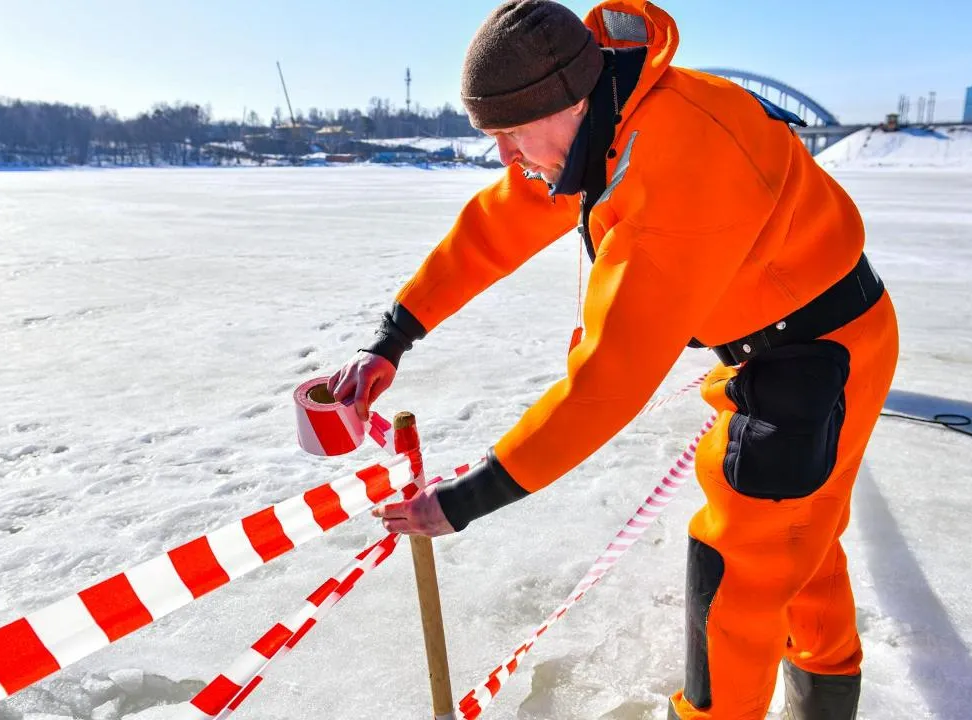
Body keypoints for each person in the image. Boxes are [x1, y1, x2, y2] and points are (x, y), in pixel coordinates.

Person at [326, 1, 898, 718]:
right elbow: (498, 223)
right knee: (799, 538)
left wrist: (466, 500)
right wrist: (394, 335)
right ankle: (828, 698)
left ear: (566, 102)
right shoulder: (602, 122)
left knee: (741, 566)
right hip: (783, 339)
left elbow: (610, 380)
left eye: (510, 135)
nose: (506, 156)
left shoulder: (678, 157)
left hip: (819, 357)